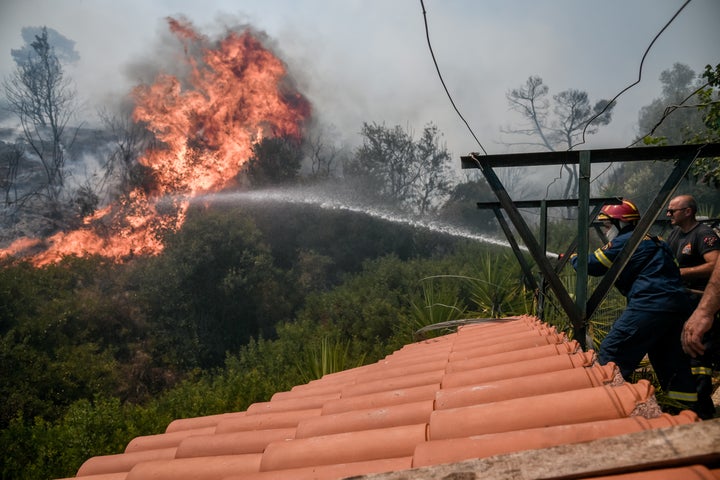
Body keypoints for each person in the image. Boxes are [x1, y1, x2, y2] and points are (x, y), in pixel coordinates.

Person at [571, 199, 697, 408]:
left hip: (650, 305)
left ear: (621, 223)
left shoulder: (627, 240)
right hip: (676, 307)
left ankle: (608, 407)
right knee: (672, 362)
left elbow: (592, 265)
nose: (605, 229)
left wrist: (574, 258)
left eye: (608, 224)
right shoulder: (657, 240)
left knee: (613, 352)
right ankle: (687, 412)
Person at [666, 194, 720, 418]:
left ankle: (702, 406)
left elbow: (715, 264)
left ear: (688, 211)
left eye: (673, 211)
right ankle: (693, 408)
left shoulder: (703, 234)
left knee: (699, 354)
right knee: (686, 352)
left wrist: (681, 273)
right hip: (683, 302)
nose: (668, 214)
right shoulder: (675, 234)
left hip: (701, 300)